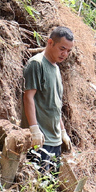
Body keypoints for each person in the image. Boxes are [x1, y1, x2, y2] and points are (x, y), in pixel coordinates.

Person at [22, 26, 74, 172]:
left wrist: (63, 131)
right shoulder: (36, 64)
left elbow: (54, 104)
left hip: (55, 140)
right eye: (62, 48)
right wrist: (34, 130)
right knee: (36, 186)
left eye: (68, 51)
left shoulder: (56, 68)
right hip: (40, 140)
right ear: (50, 42)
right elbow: (28, 97)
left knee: (50, 186)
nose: (65, 54)